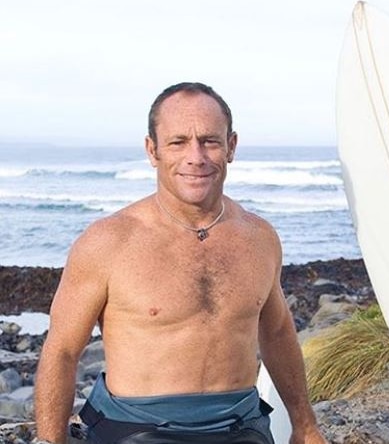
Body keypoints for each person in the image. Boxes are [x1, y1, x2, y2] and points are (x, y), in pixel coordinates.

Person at [34, 82, 327, 444]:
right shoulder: (108, 241)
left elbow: (278, 332)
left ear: (231, 146)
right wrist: (48, 441)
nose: (196, 157)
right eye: (178, 142)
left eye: (210, 141)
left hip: (241, 428)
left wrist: (305, 425)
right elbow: (61, 350)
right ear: (152, 150)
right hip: (135, 431)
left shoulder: (259, 237)